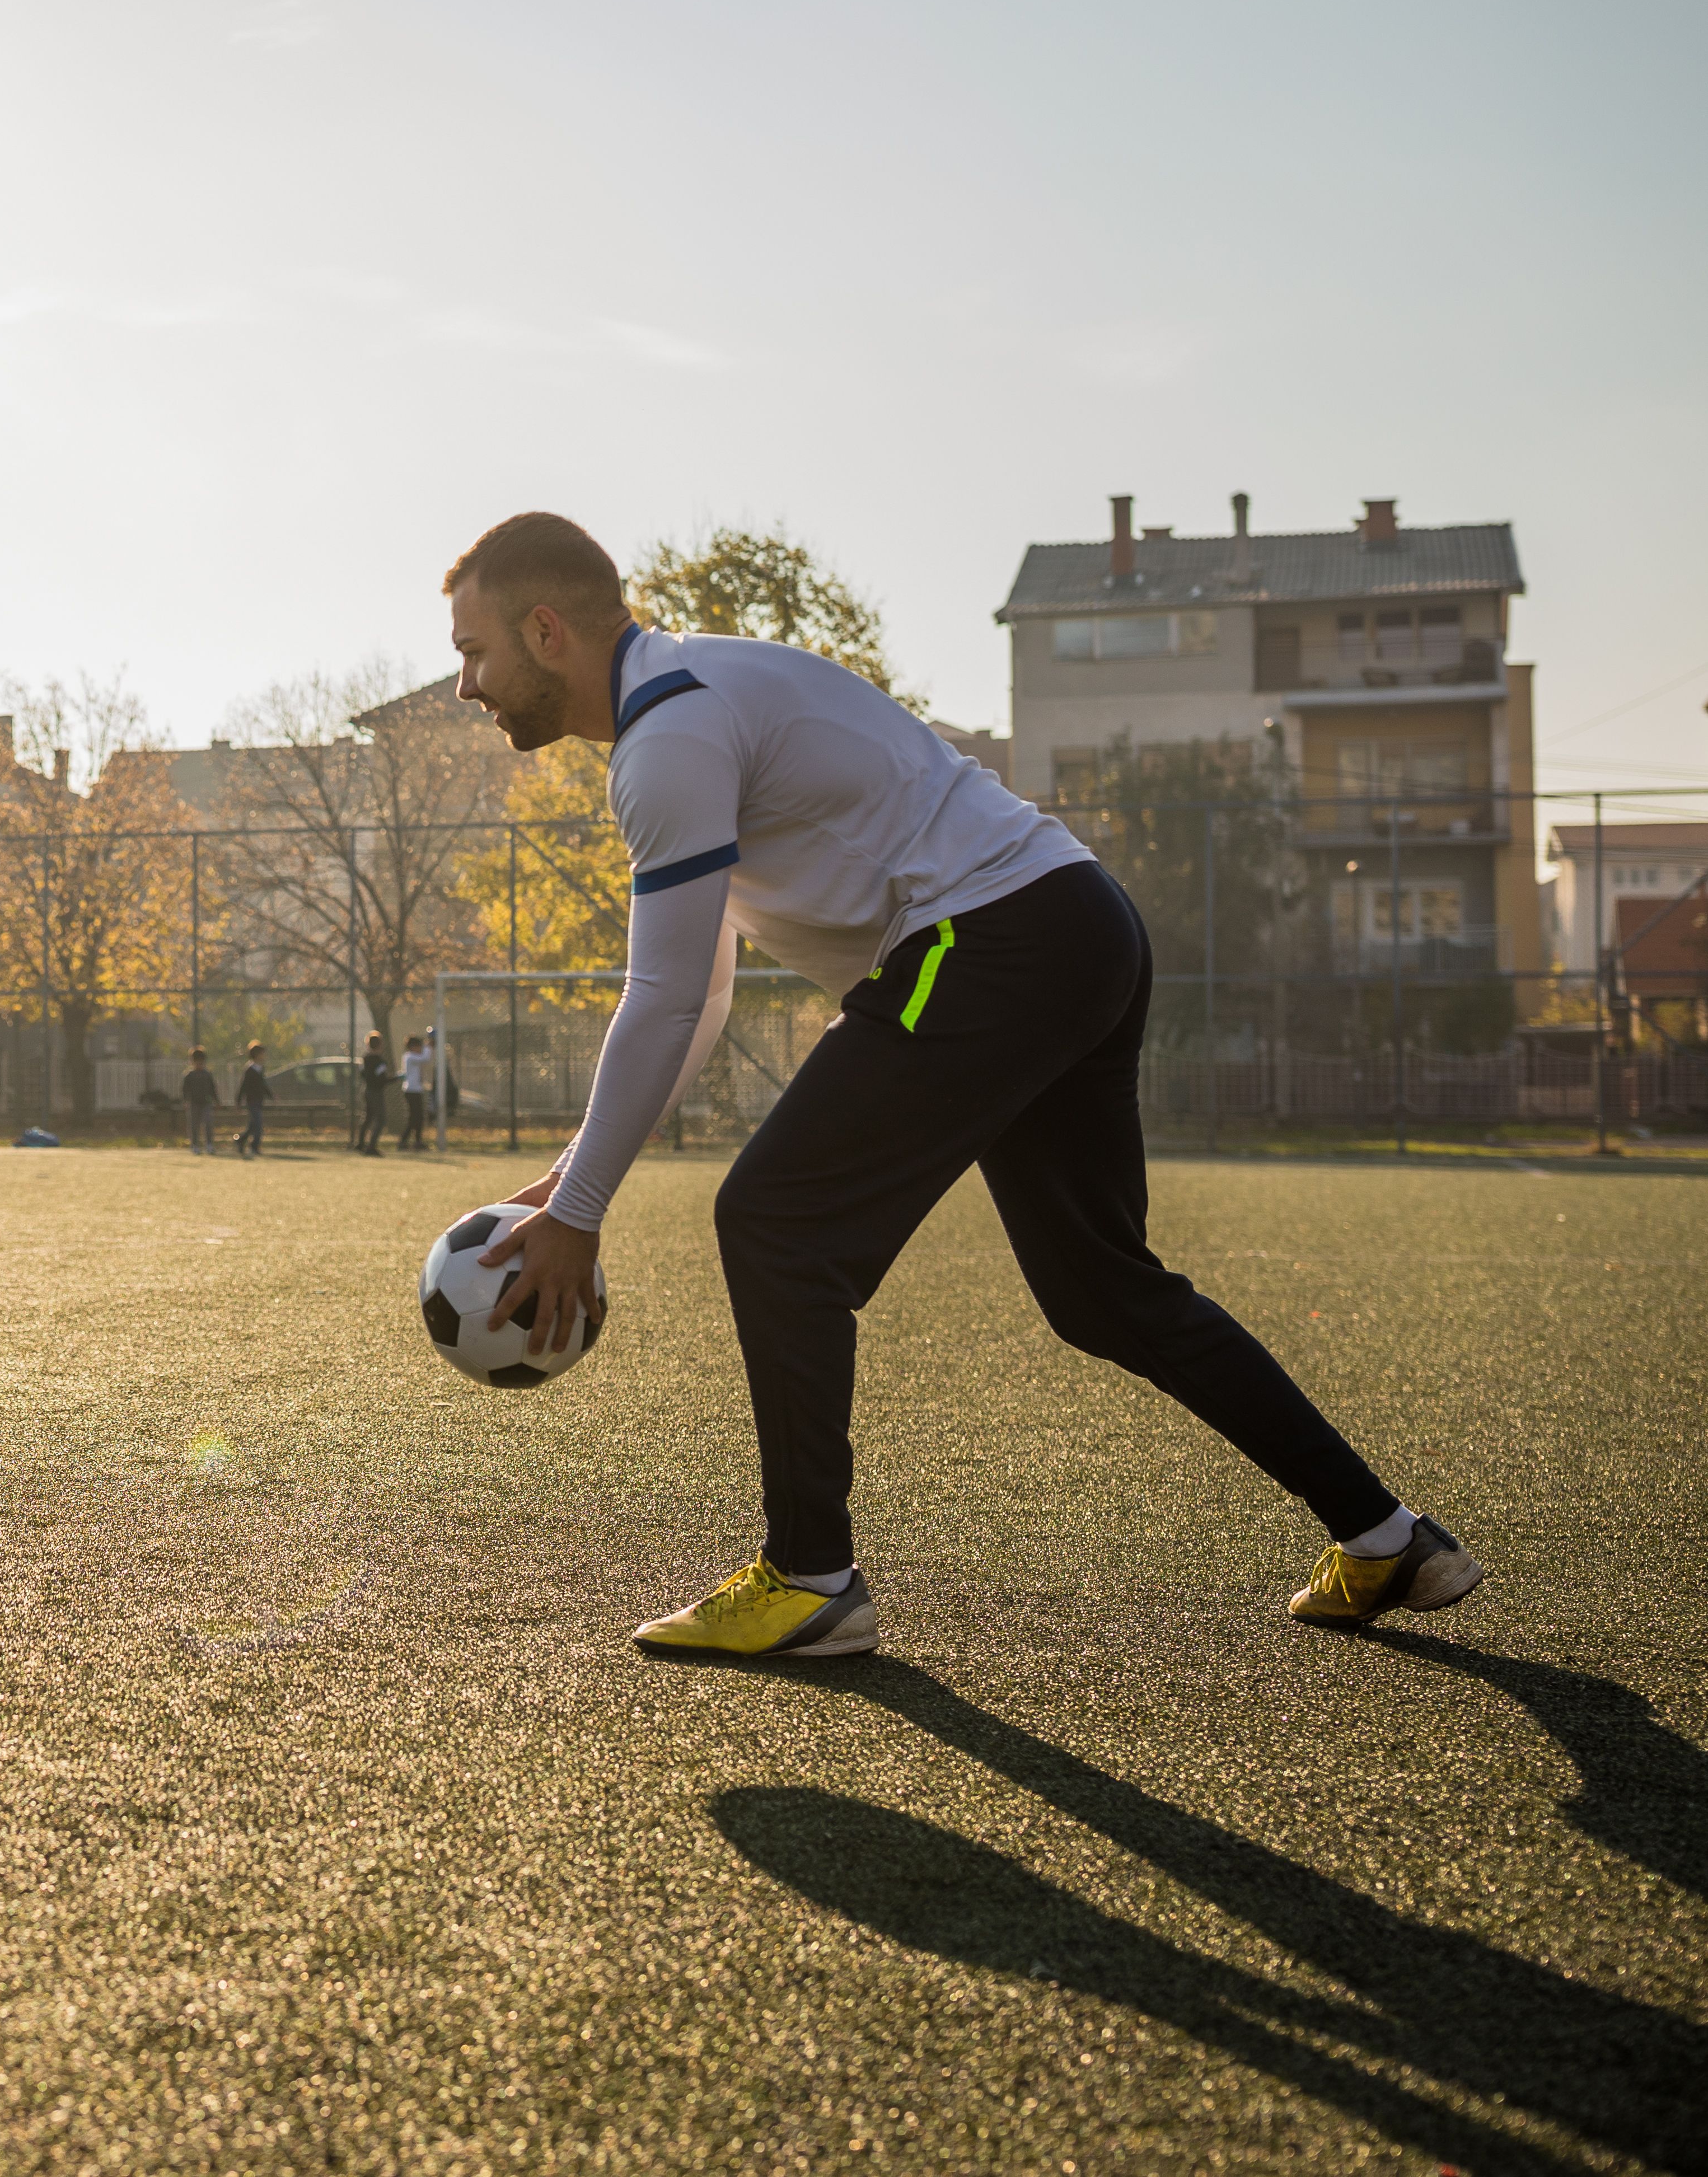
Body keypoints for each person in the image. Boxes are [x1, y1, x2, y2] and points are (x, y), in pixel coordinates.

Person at [445, 511, 1477, 1658]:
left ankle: (810, 1579)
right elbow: (708, 994)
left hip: (989, 937)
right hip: (1075, 922)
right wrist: (569, 1182)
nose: (463, 684)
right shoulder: (693, 695)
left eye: (475, 652)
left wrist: (580, 1216)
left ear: (545, 631)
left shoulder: (668, 737)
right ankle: (1385, 1535)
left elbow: (666, 998)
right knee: (1099, 1290)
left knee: (776, 1222)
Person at [354, 1030, 392, 1156]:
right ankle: (372, 1147)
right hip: (376, 1092)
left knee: (368, 1118)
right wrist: (396, 1078)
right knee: (381, 1119)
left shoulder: (364, 1059)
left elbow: (364, 1075)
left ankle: (360, 1144)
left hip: (367, 1091)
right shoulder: (380, 1062)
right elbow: (382, 1080)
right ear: (380, 1045)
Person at [235, 1042, 273, 1158]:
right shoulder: (250, 1069)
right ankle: (254, 1147)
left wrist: (271, 1095)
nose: (264, 1056)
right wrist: (239, 1100)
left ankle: (241, 1140)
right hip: (252, 1101)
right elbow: (244, 1086)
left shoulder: (260, 1068)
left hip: (259, 1100)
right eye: (262, 1054)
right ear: (257, 1055)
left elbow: (263, 1085)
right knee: (258, 1124)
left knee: (253, 1125)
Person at [181, 1046, 220, 1154]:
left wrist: (217, 1101)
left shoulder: (207, 1075)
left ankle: (209, 1145)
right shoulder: (189, 1076)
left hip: (206, 1103)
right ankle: (195, 1145)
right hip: (194, 1104)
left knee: (208, 1123)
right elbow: (185, 1090)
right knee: (194, 1125)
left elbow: (213, 1089)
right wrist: (186, 1101)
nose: (199, 1064)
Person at [399, 1032, 433, 1151]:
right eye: (419, 1047)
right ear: (413, 1047)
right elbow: (426, 1058)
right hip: (411, 1090)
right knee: (414, 1118)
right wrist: (429, 1046)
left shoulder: (412, 1057)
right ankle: (404, 1142)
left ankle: (417, 1142)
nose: (421, 1049)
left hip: (416, 1090)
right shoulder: (409, 1057)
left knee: (418, 1118)